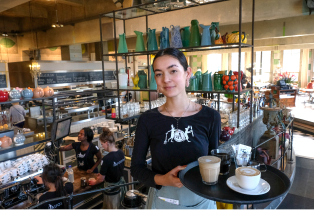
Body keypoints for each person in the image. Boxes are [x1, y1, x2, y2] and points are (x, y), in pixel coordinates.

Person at [131, 48, 221, 209]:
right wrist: (162, 179)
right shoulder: (147, 120)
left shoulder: (210, 117)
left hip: (201, 200)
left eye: (173, 71)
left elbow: (215, 162)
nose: (166, 79)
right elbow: (136, 168)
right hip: (163, 200)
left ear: (188, 73)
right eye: (159, 74)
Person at [89, 127, 126, 206]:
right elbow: (115, 169)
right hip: (121, 186)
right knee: (120, 206)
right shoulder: (121, 153)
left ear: (106, 142)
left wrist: (95, 181)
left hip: (111, 189)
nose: (102, 146)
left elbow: (101, 179)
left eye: (102, 144)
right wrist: (104, 174)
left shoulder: (106, 159)